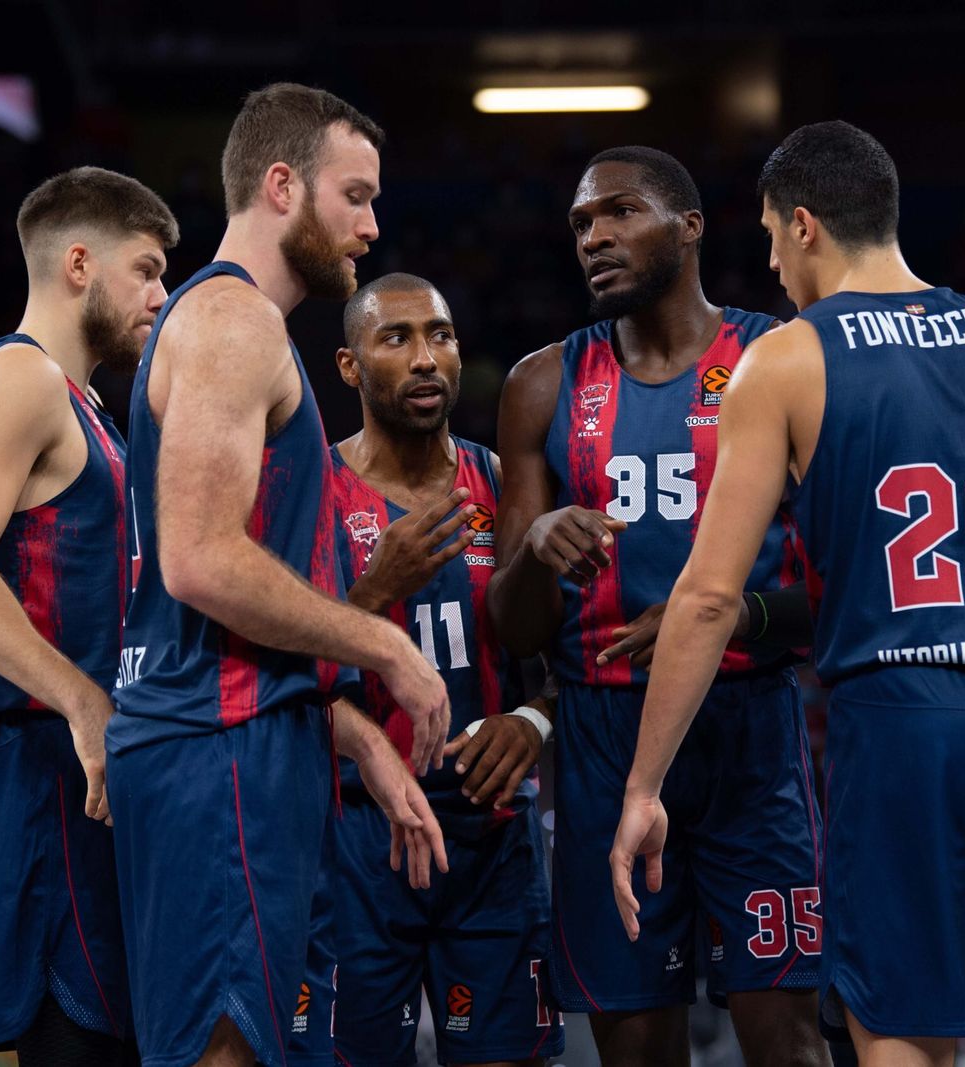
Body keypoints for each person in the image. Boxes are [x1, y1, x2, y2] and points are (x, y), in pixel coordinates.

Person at [610, 121, 965, 1067]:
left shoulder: (787, 358)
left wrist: (644, 784)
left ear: (805, 225)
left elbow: (704, 600)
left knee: (902, 1034)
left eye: (772, 238)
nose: (771, 266)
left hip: (907, 714)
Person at [105, 83, 450, 1067]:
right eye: (355, 195)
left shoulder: (238, 326)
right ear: (283, 185)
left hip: (237, 739)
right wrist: (384, 641)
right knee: (226, 1048)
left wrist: (357, 742)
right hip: (217, 751)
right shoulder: (231, 323)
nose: (372, 225)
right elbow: (200, 559)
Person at [489, 146, 825, 1067]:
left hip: (749, 727)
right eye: (581, 225)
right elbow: (512, 627)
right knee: (635, 1048)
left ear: (690, 226)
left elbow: (843, 592)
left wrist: (723, 617)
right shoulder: (542, 384)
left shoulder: (782, 356)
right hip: (602, 734)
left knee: (789, 1040)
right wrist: (533, 546)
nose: (594, 236)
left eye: (621, 213)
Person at [0, 165, 178, 1062]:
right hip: (40, 760)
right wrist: (82, 701)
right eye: (145, 269)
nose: (161, 295)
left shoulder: (90, 404)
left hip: (84, 765)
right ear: (78, 264)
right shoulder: (19, 380)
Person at [307, 272, 564, 1066]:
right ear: (350, 367)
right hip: (356, 838)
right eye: (397, 338)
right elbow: (278, 677)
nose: (426, 358)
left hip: (493, 839)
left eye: (441, 336)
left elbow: (578, 656)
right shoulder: (310, 492)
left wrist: (535, 717)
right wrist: (373, 590)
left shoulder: (506, 483)